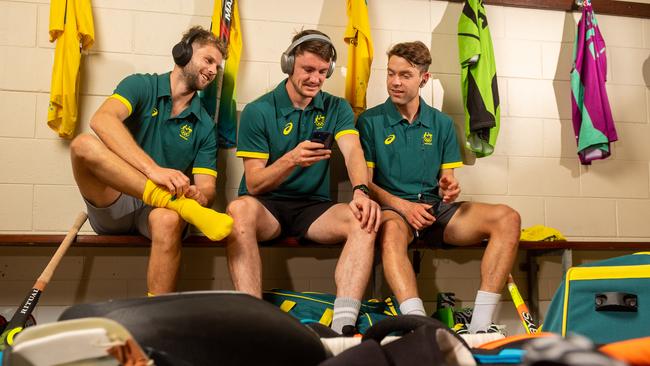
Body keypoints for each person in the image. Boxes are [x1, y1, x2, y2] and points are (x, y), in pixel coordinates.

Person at [357, 41, 520, 333]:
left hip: (435, 210)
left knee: (508, 217)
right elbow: (365, 182)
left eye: (405, 75)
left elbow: (448, 179)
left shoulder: (442, 124)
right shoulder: (369, 122)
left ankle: (480, 328)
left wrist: (450, 188)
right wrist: (404, 206)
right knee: (391, 230)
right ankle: (418, 324)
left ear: (424, 78)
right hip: (395, 211)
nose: (395, 82)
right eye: (390, 73)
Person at [226, 29, 381, 335]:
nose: (315, 79)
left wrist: (361, 192)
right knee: (237, 211)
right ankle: (254, 324)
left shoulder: (336, 107)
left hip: (313, 207)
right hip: (266, 206)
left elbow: (353, 152)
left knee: (363, 218)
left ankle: (343, 326)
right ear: (289, 64)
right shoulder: (259, 110)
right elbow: (255, 183)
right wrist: (291, 159)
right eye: (308, 70)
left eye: (323, 72)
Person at [69, 26, 233, 296]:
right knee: (82, 145)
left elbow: (208, 189)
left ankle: (157, 315)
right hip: (116, 201)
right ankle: (165, 198)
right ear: (183, 53)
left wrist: (197, 196)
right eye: (208, 60)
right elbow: (101, 120)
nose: (214, 70)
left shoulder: (204, 125)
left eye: (218, 65)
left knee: (168, 220)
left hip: (157, 214)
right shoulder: (140, 85)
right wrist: (153, 170)